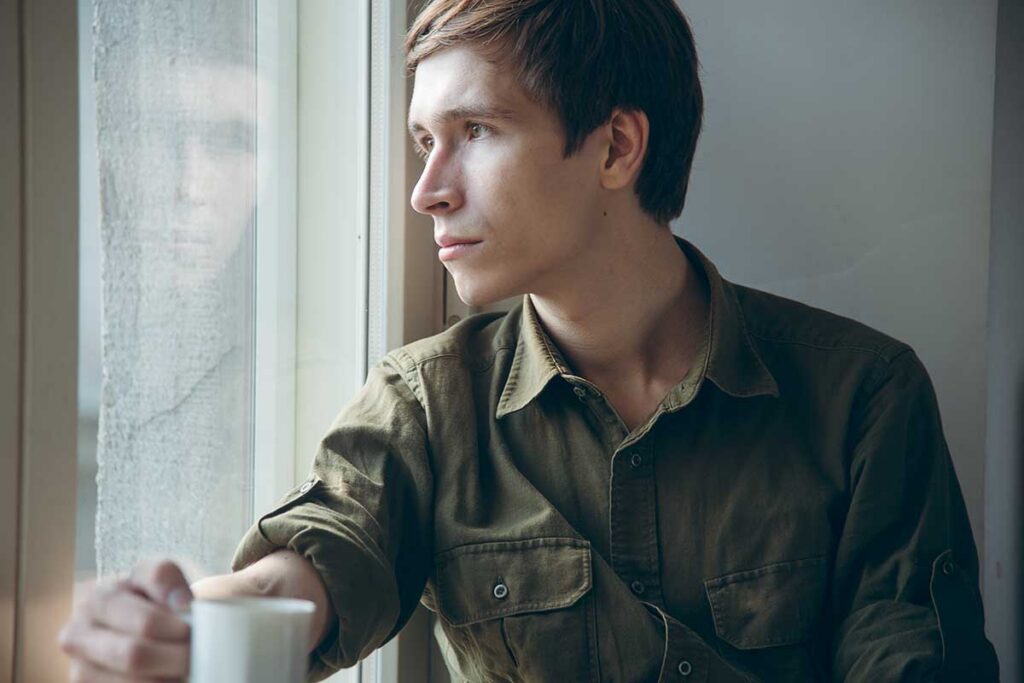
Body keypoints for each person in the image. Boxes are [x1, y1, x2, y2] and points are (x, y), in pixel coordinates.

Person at [59, 0, 1000, 681]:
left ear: (616, 149)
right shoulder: (428, 403)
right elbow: (323, 552)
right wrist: (187, 620)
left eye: (474, 131)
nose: (428, 189)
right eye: (423, 139)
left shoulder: (864, 396)